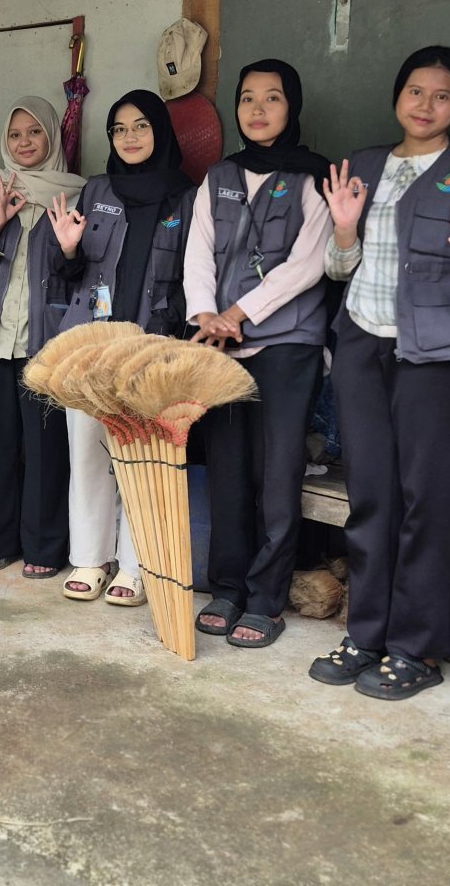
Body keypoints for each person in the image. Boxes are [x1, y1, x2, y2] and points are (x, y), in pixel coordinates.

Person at [307, 46, 450, 697]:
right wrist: (343, 229)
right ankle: (366, 633)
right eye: (415, 91)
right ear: (398, 96)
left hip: (440, 358)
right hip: (365, 348)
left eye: (442, 95)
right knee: (372, 498)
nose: (425, 106)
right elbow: (341, 272)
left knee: (429, 501)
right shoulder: (365, 166)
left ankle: (417, 648)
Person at [183, 59, 332, 648]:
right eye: (247, 98)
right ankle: (227, 586)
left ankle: (266, 598)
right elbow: (199, 249)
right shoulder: (219, 175)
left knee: (277, 473)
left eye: (272, 98)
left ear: (291, 107)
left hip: (287, 342)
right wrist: (204, 314)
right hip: (219, 342)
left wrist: (237, 315)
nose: (259, 109)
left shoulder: (315, 175)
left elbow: (308, 263)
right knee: (228, 469)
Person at [46, 89, 196, 606]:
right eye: (119, 129)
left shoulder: (186, 196)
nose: (130, 137)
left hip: (151, 350)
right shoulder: (95, 190)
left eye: (140, 126)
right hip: (90, 346)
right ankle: (90, 557)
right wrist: (66, 248)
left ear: (160, 131)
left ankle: (135, 565)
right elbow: (67, 275)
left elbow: (192, 278)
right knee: (86, 452)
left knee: (141, 457)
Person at [0, 96, 85, 579]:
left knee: (45, 447)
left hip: (46, 339)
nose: (25, 142)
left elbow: (82, 271)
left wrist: (71, 251)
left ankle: (45, 547)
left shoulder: (76, 193)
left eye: (34, 132)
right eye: (15, 134)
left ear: (52, 136)